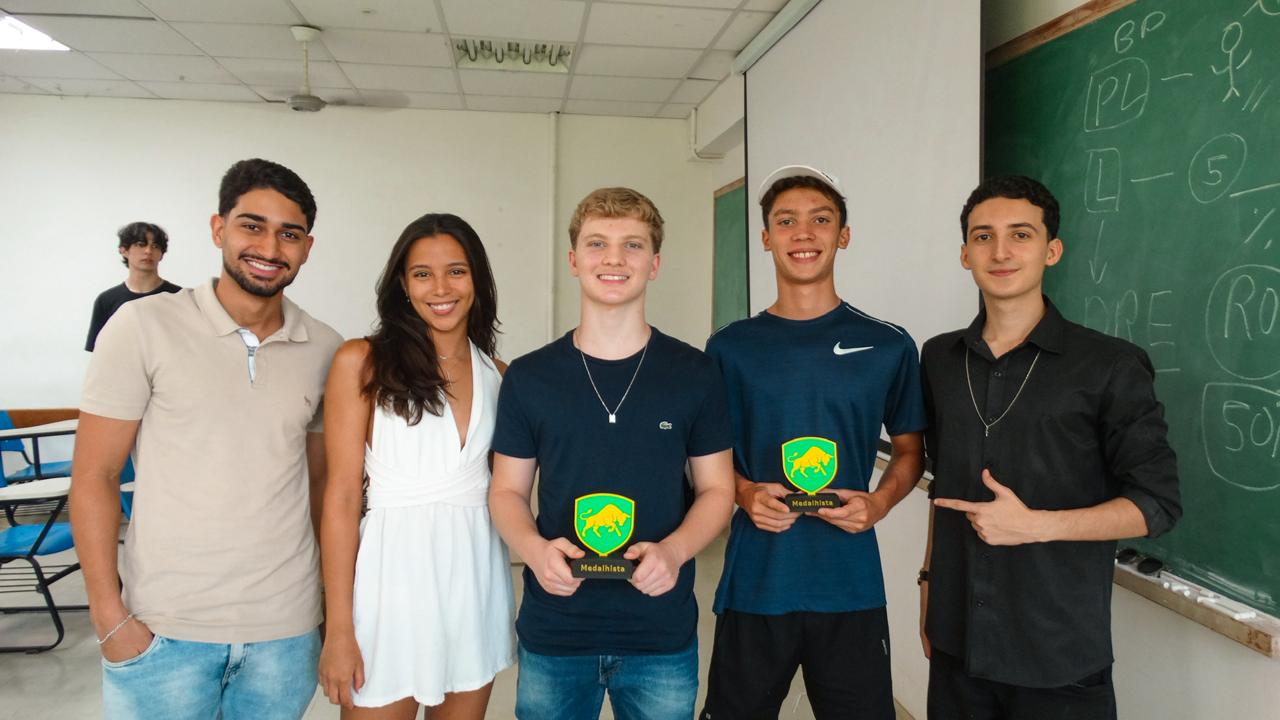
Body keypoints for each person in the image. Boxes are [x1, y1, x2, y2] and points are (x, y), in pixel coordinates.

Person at [69, 158, 343, 720]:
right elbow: (94, 476)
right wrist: (108, 617)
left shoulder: (326, 348)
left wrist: (326, 613)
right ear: (219, 229)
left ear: (307, 247)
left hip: (284, 636)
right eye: (252, 225)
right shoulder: (142, 326)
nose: (270, 246)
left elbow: (324, 487)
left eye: (289, 233)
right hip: (162, 632)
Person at [920, 175, 1182, 719]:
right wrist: (928, 582)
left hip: (1056, 654)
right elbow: (942, 485)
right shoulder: (939, 360)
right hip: (956, 642)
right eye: (983, 236)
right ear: (964, 254)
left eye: (1021, 234)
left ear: (1052, 249)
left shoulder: (1109, 365)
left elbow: (1157, 505)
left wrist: (1038, 525)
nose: (1001, 251)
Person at [488, 187, 735, 720]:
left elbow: (719, 490)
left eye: (633, 245)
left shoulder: (695, 373)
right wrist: (533, 550)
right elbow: (506, 491)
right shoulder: (530, 377)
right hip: (557, 629)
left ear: (655, 263)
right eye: (597, 244)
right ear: (574, 260)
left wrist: (673, 551)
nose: (615, 259)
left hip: (659, 632)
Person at [698, 165, 926, 720]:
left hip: (849, 585)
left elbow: (910, 450)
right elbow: (706, 457)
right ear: (766, 238)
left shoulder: (889, 345)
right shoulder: (730, 348)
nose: (803, 234)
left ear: (842, 235)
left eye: (820, 220)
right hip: (757, 582)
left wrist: (878, 502)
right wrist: (746, 493)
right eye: (786, 221)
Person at [317, 213, 515, 718]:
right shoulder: (361, 361)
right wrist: (338, 626)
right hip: (390, 585)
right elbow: (340, 497)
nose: (440, 288)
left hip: (474, 580)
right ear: (402, 285)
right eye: (422, 274)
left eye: (457, 270)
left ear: (478, 280)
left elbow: (509, 492)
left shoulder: (501, 375)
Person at [84, 221, 181, 351]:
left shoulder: (179, 297)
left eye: (155, 246)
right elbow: (98, 352)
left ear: (162, 254)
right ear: (124, 250)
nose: (148, 251)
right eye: (141, 244)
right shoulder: (107, 300)